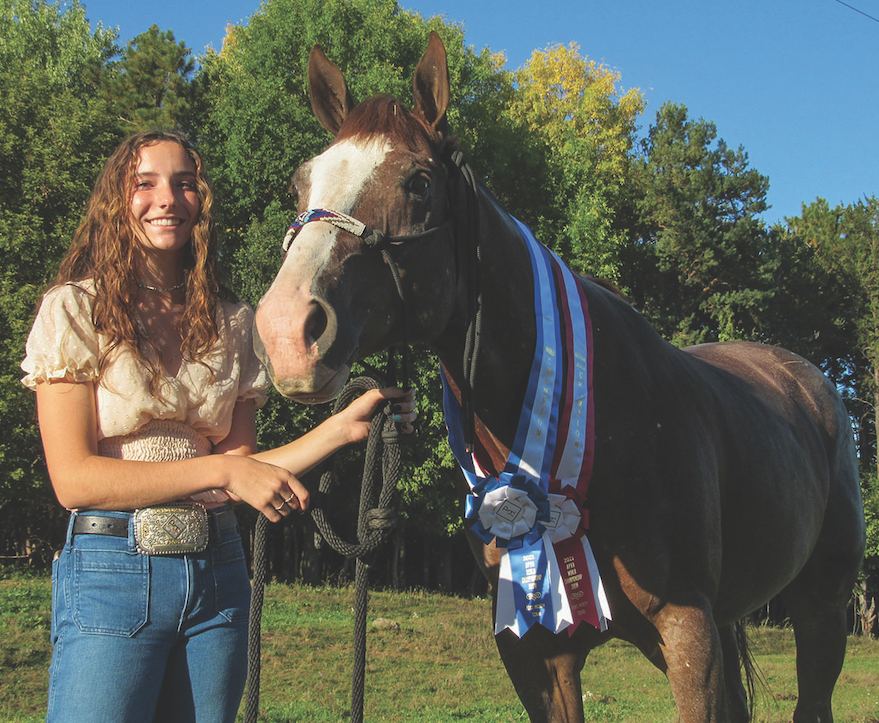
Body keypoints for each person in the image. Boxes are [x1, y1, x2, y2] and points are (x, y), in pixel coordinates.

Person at [20, 130, 416, 723]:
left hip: (217, 576)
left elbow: (240, 475)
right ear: (115, 199)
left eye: (184, 184)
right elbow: (76, 480)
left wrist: (340, 429)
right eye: (144, 183)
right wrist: (225, 468)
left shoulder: (233, 322)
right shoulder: (74, 309)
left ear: (201, 200)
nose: (167, 198)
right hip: (112, 571)